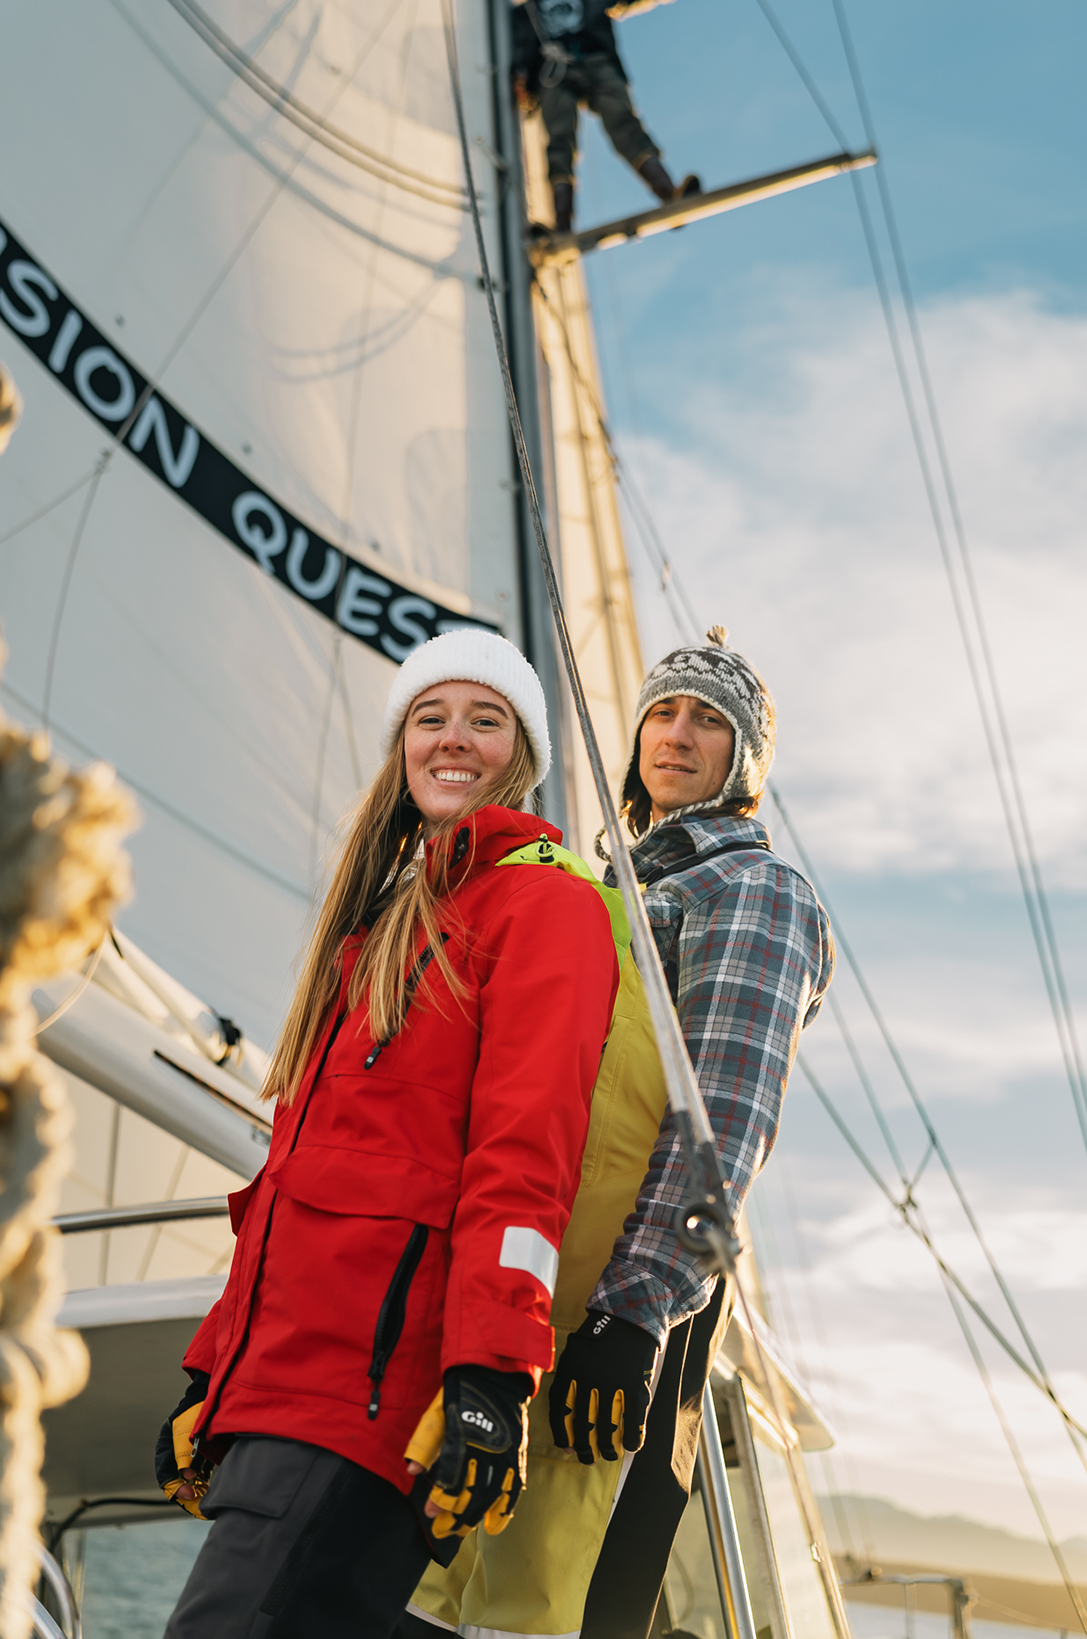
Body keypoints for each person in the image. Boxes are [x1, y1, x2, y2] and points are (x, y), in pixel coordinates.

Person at [155, 630, 622, 1639]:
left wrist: (493, 1378)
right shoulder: (375, 927)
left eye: (485, 719)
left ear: (525, 755)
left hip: (374, 1399)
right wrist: (212, 1366)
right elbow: (288, 1180)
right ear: (401, 745)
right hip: (280, 1388)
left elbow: (526, 1163)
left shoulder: (549, 906)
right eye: (430, 717)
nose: (454, 740)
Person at [407, 626, 834, 1639]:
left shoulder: (752, 892)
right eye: (663, 712)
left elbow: (721, 1122)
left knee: (554, 1600)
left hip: (631, 1306)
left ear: (747, 763)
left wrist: (636, 1314)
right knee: (434, 1593)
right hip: (529, 1283)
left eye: (710, 722)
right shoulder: (599, 891)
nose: (677, 734)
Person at [513, 0, 727, 233]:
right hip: (554, 72)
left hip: (597, 64)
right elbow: (520, 51)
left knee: (623, 122)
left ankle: (669, 195)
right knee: (559, 140)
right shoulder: (528, 10)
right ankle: (562, 226)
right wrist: (520, 79)